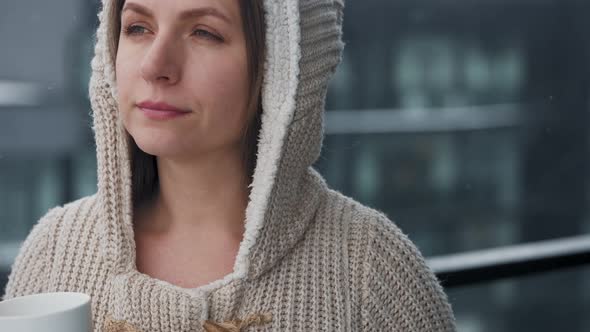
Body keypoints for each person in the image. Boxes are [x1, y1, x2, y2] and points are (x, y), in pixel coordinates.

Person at [3, 0, 456, 330]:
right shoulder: (53, 254)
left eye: (204, 32)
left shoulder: (373, 273)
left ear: (282, 68)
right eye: (138, 27)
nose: (156, 65)